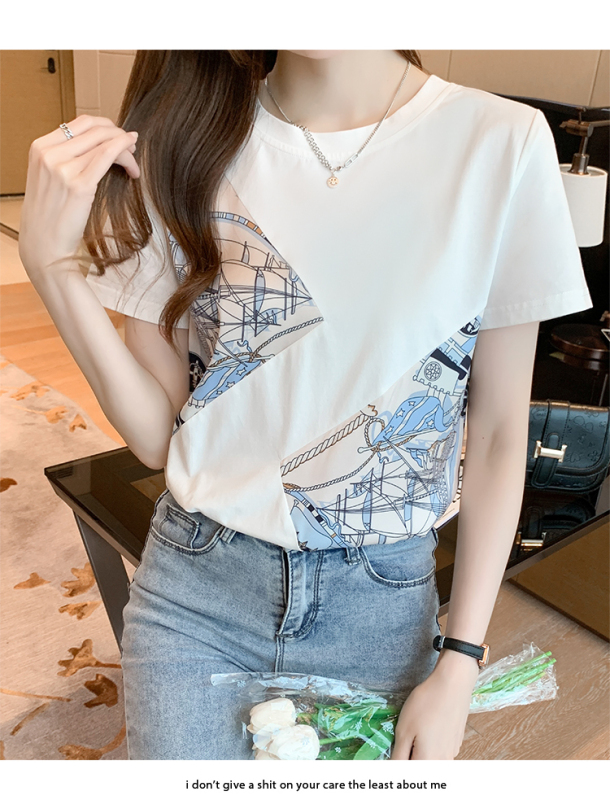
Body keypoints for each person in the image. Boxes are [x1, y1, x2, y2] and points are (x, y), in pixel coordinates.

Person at [19, 50, 592, 760]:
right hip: (198, 589)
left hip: (380, 609)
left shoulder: (501, 141)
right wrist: (52, 269)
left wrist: (462, 658)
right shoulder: (184, 138)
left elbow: (503, 432)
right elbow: (160, 437)